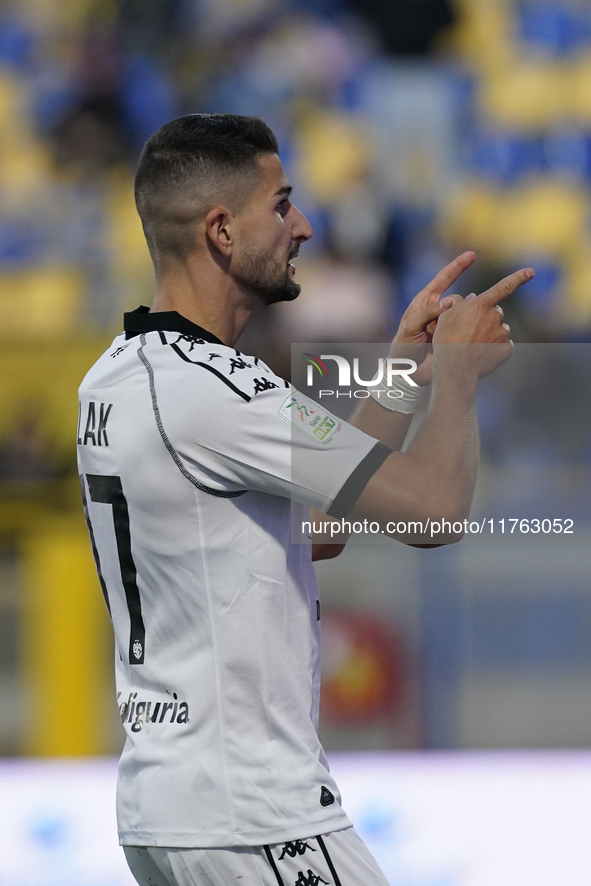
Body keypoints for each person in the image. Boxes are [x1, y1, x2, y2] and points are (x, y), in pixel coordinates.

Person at [77, 114, 533, 886]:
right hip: (255, 813)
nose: (305, 226)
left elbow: (314, 529)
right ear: (221, 230)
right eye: (282, 204)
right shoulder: (221, 390)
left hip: (170, 810)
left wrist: (401, 369)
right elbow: (432, 513)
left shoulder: (118, 374)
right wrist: (457, 377)